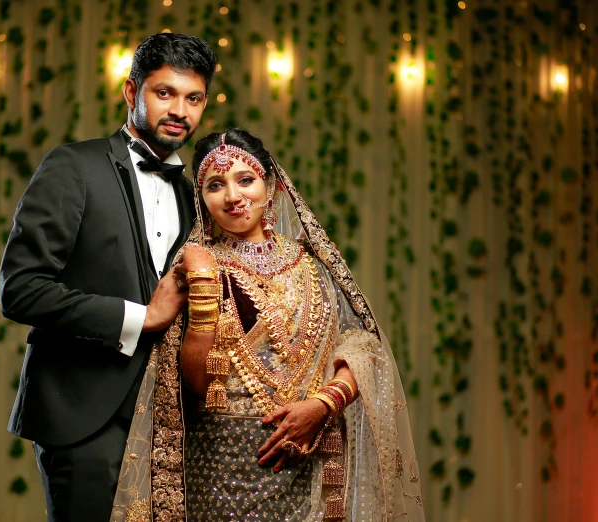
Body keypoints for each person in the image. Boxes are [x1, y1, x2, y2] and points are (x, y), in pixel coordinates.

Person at [112, 128, 425, 521]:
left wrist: (322, 403)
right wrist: (205, 288)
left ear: (270, 185)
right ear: (201, 198)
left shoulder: (311, 265)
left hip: (308, 463)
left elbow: (362, 344)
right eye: (215, 185)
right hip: (221, 470)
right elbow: (196, 383)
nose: (232, 197)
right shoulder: (195, 267)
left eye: (245, 180)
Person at [0, 33, 218, 522]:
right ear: (130, 92)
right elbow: (20, 289)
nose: (179, 109)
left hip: (170, 425)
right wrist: (142, 317)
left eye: (193, 98)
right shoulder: (73, 167)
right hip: (83, 415)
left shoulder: (195, 195)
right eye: (164, 93)